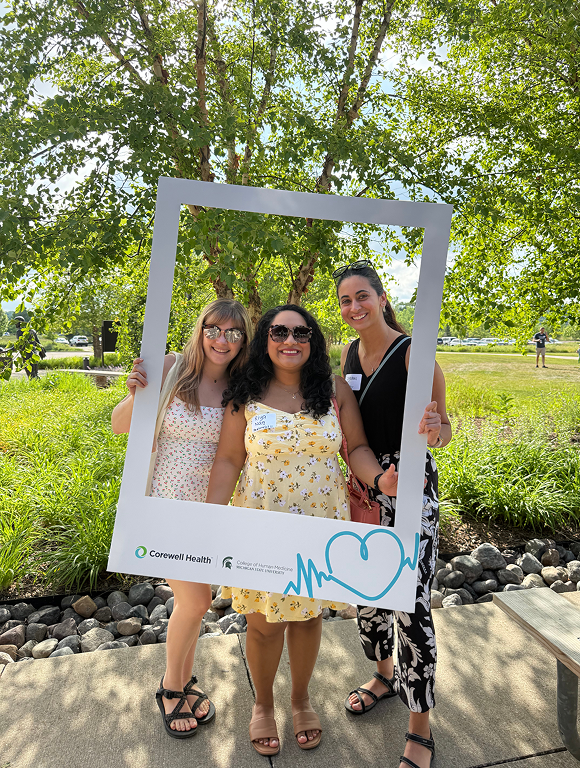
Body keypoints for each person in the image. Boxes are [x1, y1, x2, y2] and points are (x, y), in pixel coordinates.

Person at [205, 304, 398, 756]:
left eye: (300, 332)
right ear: (265, 340)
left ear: (313, 340)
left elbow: (357, 448)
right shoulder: (245, 391)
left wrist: (379, 480)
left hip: (320, 524)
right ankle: (263, 705)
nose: (290, 340)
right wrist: (210, 518)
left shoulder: (333, 390)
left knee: (308, 617)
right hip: (261, 522)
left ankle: (301, 700)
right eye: (279, 332)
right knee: (263, 624)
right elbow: (229, 459)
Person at [111, 298, 251, 739]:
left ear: (243, 341)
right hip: (165, 505)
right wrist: (136, 393)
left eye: (233, 333)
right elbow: (119, 425)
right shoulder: (172, 368)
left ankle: (185, 681)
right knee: (196, 602)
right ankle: (171, 688)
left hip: (209, 509)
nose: (221, 340)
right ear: (201, 329)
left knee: (196, 602)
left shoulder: (241, 386)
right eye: (213, 329)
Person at [333, 260, 451, 768]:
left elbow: (444, 428)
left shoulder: (413, 355)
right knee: (369, 590)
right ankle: (383, 676)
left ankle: (420, 726)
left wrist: (435, 430)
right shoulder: (348, 354)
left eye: (362, 296)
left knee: (410, 603)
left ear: (382, 298)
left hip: (410, 488)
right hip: (364, 487)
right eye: (345, 300)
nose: (354, 307)